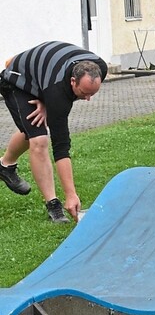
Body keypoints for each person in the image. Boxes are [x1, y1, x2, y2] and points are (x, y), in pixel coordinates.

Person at [0, 41, 107, 223]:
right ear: (73, 81)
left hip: (44, 80)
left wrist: (47, 102)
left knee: (32, 128)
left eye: (93, 93)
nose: (88, 99)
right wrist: (70, 193)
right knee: (39, 138)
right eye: (84, 93)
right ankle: (54, 205)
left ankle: (5, 165)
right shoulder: (56, 91)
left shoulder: (100, 67)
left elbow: (57, 87)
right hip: (16, 82)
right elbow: (61, 146)